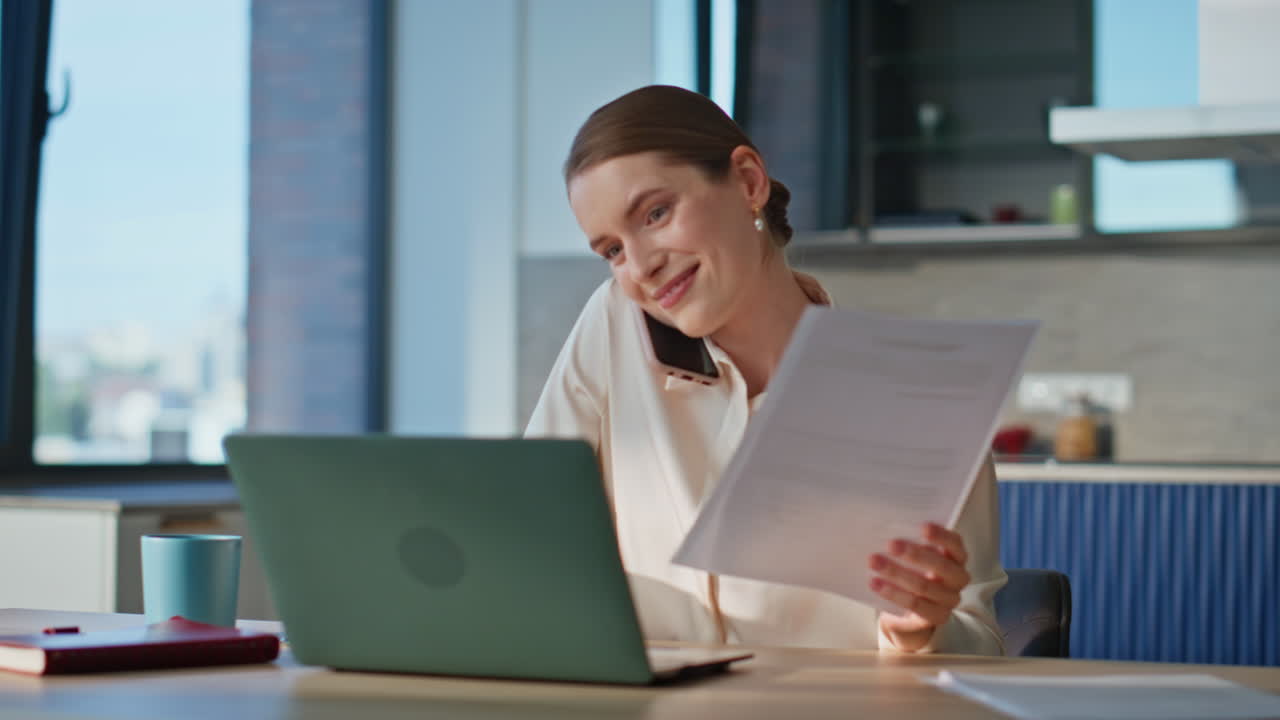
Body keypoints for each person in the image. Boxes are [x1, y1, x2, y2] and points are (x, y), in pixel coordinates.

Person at [525, 85, 1006, 655]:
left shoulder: (915, 397)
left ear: (748, 182)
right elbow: (529, 535)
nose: (641, 266)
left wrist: (920, 630)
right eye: (612, 251)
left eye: (655, 213)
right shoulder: (613, 324)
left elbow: (982, 647)